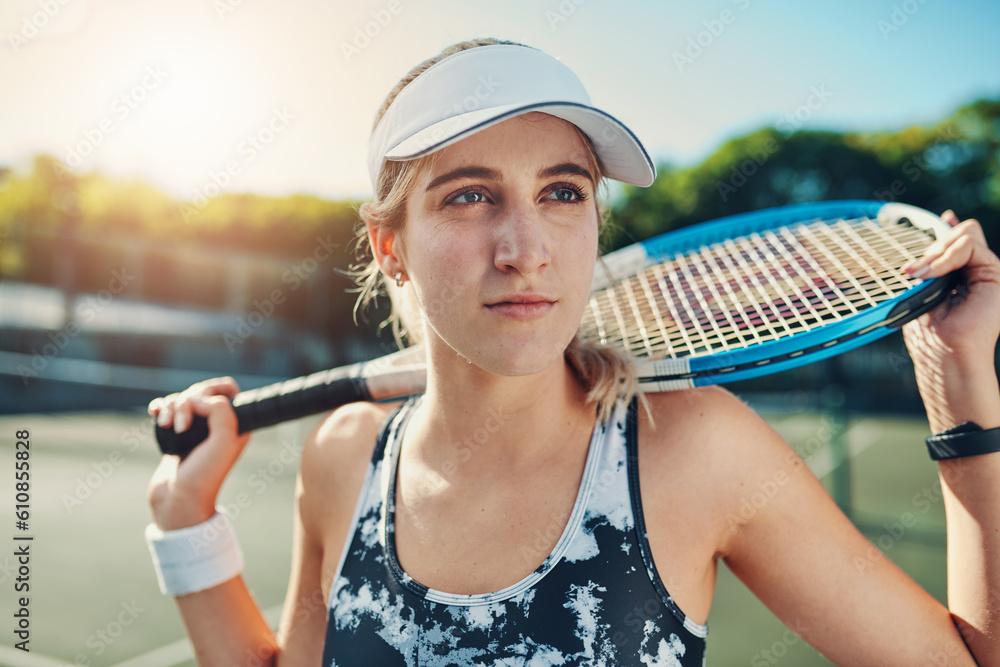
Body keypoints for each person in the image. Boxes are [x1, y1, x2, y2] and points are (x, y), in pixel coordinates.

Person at [145, 38, 1000, 665]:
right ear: (388, 244)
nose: (526, 247)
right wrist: (187, 525)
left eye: (562, 191)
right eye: (469, 195)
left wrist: (960, 388)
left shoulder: (694, 449)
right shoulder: (341, 457)